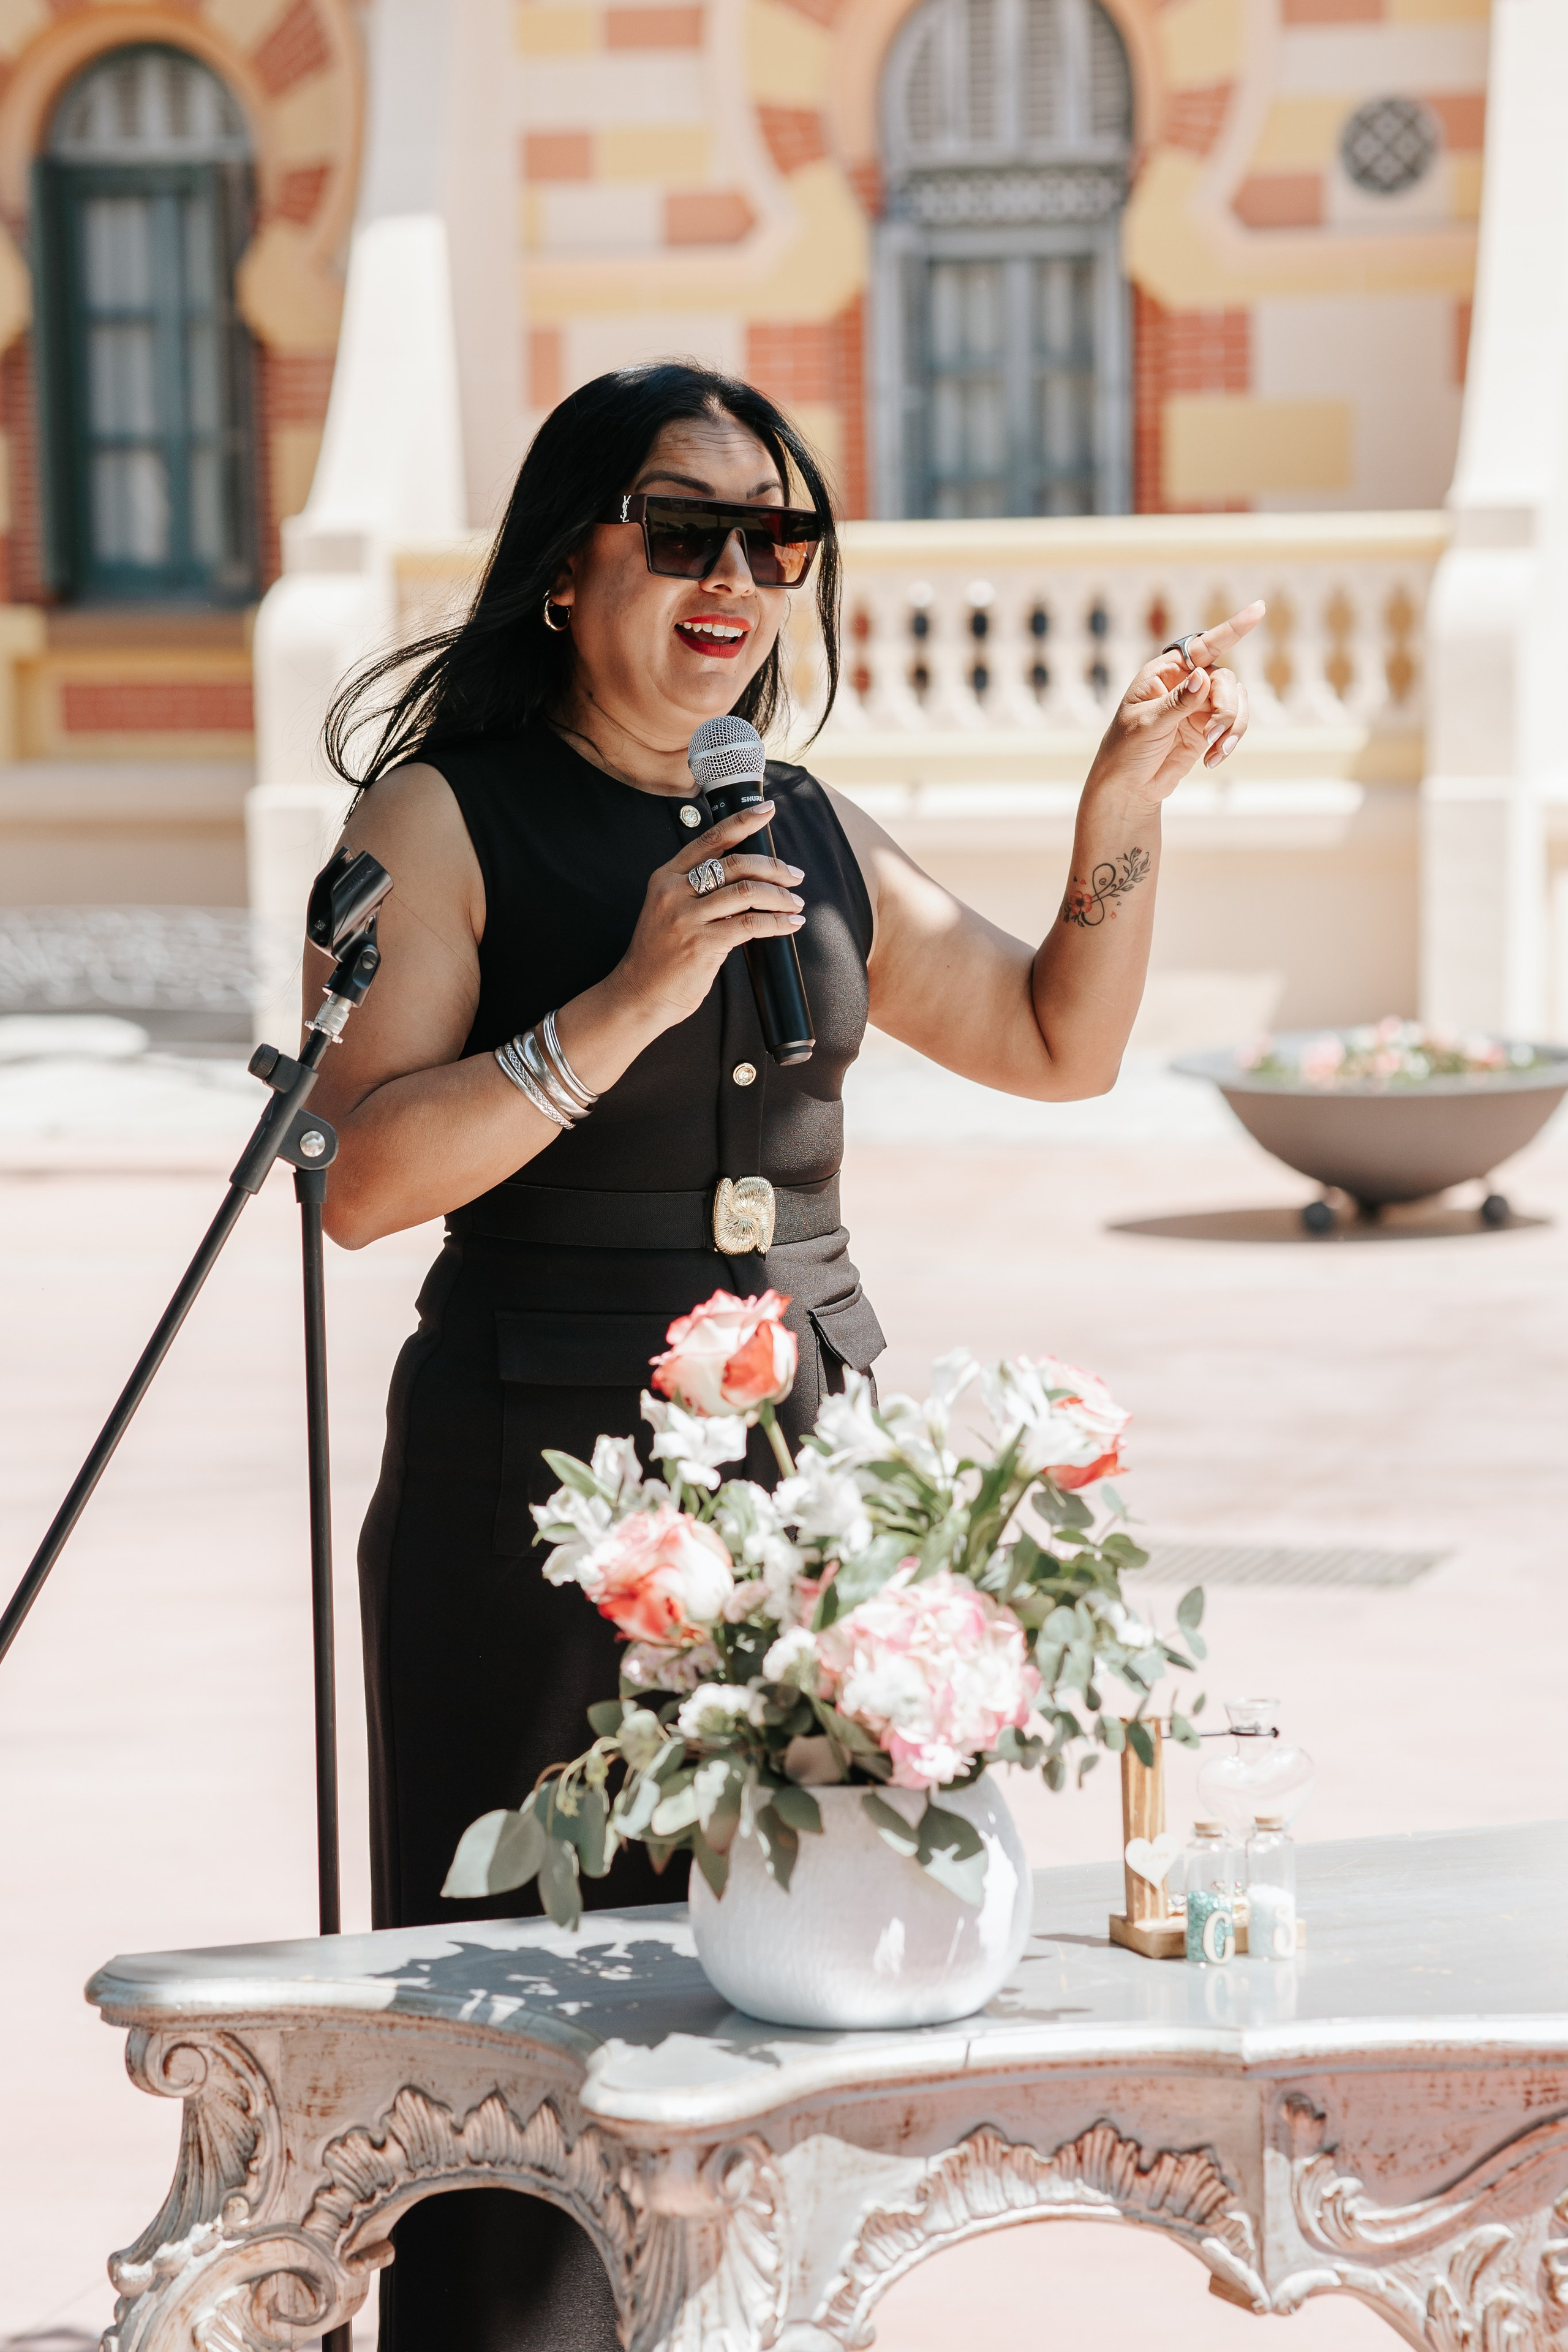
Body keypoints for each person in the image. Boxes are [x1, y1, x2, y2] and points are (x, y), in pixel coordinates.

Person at [306, 360, 1260, 2350]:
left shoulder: (798, 816)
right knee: (537, 2041)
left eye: (778, 536)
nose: (737, 572)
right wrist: (633, 997)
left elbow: (1053, 1041)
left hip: (805, 1488)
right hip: (539, 1500)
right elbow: (365, 1180)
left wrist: (1120, 816)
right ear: (571, 565)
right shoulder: (451, 815)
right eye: (685, 529)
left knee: (796, 2013)